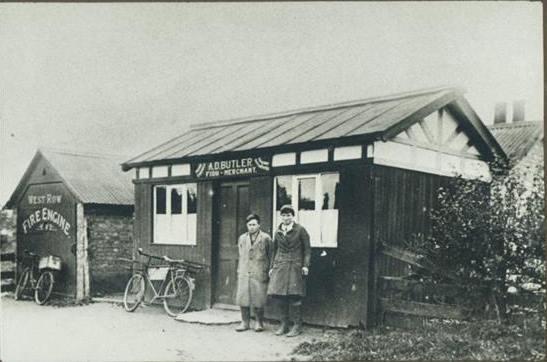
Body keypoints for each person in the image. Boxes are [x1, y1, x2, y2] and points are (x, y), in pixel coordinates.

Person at [267, 204, 311, 337]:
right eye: (284, 215)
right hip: (280, 266)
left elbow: (307, 250)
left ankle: (297, 326)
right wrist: (271, 267)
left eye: (289, 215)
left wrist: (305, 265)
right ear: (281, 216)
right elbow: (275, 250)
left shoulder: (300, 230)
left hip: (294, 266)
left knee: (294, 296)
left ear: (293, 216)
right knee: (280, 297)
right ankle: (284, 325)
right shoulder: (278, 231)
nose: (286, 218)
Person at [235, 213, 272, 332]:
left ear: (259, 225)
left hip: (259, 271)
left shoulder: (266, 238)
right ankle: (244, 322)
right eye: (249, 224)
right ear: (247, 225)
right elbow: (241, 254)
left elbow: (270, 255)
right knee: (243, 297)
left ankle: (258, 322)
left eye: (254, 224)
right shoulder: (242, 238)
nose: (252, 227)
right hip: (245, 271)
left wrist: (267, 269)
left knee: (258, 298)